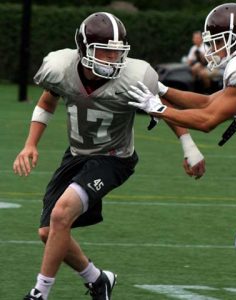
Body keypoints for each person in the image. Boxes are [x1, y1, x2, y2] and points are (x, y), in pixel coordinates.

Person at [13, 12, 205, 300]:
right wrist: (30, 144)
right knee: (48, 231)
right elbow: (47, 99)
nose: (112, 59)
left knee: (62, 213)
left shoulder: (135, 76)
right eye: (104, 51)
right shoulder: (60, 67)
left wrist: (189, 147)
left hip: (114, 158)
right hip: (77, 153)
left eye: (117, 52)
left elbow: (161, 106)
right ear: (83, 49)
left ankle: (39, 293)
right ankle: (97, 279)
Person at [127, 3, 236, 283]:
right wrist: (161, 90)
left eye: (217, 42)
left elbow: (208, 120)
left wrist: (158, 109)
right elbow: (208, 101)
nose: (212, 49)